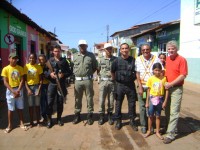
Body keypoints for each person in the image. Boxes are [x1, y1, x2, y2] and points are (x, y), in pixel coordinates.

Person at [163, 40, 188, 144]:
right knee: (167, 109)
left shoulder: (182, 60)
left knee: (174, 111)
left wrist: (171, 83)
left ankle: (170, 134)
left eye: (172, 48)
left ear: (176, 49)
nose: (170, 50)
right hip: (167, 88)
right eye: (168, 49)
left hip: (176, 88)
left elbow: (183, 75)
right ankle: (170, 128)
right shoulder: (167, 59)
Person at [135, 43, 162, 134]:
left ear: (150, 50)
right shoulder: (138, 59)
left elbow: (160, 72)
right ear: (141, 51)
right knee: (142, 106)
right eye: (143, 50)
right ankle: (143, 125)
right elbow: (137, 74)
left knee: (152, 106)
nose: (145, 51)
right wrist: (140, 87)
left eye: (147, 49)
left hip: (153, 88)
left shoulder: (156, 59)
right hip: (143, 87)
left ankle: (152, 125)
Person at [111, 43, 138, 130]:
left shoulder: (133, 60)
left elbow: (136, 72)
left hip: (130, 85)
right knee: (118, 103)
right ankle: (118, 121)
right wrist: (115, 82)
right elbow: (112, 72)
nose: (124, 50)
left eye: (126, 48)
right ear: (120, 50)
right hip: (119, 85)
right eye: (122, 48)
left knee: (132, 103)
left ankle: (132, 120)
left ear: (129, 49)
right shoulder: (116, 61)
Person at [46, 45, 72, 128]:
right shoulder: (49, 61)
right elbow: (44, 72)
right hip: (52, 84)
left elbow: (70, 72)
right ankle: (49, 120)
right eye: (55, 51)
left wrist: (63, 74)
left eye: (58, 51)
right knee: (50, 103)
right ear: (53, 52)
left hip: (61, 85)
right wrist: (50, 74)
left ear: (60, 51)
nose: (57, 53)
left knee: (60, 102)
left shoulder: (64, 61)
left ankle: (59, 119)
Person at [72, 40, 98, 125]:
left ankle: (90, 116)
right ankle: (77, 115)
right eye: (81, 46)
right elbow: (72, 68)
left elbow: (95, 67)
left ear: (86, 46)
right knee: (77, 99)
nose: (82, 47)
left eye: (84, 45)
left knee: (89, 98)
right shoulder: (74, 56)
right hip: (78, 81)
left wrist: (89, 74)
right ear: (78, 47)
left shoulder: (91, 55)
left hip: (87, 80)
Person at [1, 53, 28, 133]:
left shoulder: (20, 68)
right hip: (10, 90)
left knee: (20, 107)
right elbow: (5, 82)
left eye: (16, 58)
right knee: (10, 108)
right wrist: (13, 91)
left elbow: (22, 80)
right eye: (13, 58)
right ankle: (10, 125)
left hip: (19, 89)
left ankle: (21, 123)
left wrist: (18, 90)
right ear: (9, 59)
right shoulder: (5, 69)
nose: (14, 60)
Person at [144, 63, 168, 140]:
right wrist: (147, 102)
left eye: (159, 70)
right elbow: (148, 90)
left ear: (161, 70)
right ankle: (149, 130)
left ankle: (157, 131)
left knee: (158, 116)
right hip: (151, 99)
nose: (157, 72)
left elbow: (166, 90)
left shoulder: (164, 78)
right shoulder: (151, 79)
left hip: (160, 100)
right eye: (156, 70)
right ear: (153, 70)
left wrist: (165, 102)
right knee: (150, 116)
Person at [97, 43, 116, 125]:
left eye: (110, 48)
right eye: (107, 49)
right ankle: (101, 115)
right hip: (103, 82)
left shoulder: (115, 59)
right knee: (101, 100)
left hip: (112, 82)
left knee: (111, 100)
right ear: (104, 50)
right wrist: (100, 78)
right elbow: (98, 69)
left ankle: (110, 115)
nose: (109, 50)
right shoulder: (100, 59)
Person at [24, 53, 43, 127]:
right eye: (30, 58)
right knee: (30, 106)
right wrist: (28, 89)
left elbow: (41, 80)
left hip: (36, 87)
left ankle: (38, 121)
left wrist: (39, 89)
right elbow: (24, 80)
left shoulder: (38, 67)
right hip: (29, 87)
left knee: (37, 105)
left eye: (33, 58)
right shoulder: (26, 67)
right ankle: (31, 122)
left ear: (36, 59)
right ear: (29, 58)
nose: (32, 59)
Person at [38, 54, 49, 123]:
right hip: (40, 86)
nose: (41, 61)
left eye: (42, 59)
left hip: (48, 85)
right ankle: (43, 116)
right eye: (40, 60)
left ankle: (48, 116)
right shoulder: (38, 66)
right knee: (42, 102)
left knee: (48, 101)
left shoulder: (48, 66)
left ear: (45, 59)